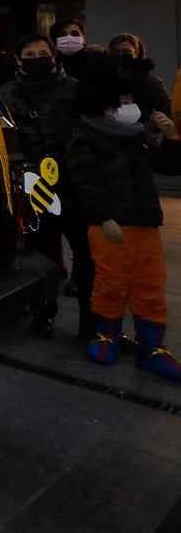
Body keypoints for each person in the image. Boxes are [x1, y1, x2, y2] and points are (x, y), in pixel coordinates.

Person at [65, 51, 181, 381]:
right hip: (110, 227)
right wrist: (104, 218)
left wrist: (171, 137)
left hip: (145, 224)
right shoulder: (84, 138)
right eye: (120, 101)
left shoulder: (137, 136)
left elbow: (170, 168)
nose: (127, 106)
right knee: (111, 282)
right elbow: (85, 183)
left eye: (131, 99)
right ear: (101, 101)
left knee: (151, 283)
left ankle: (152, 347)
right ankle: (106, 336)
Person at [0, 33, 80, 339]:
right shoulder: (8, 94)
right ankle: (43, 314)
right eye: (29, 55)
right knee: (43, 251)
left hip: (74, 179)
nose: (37, 59)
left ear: (54, 56)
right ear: (18, 60)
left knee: (85, 248)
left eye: (42, 53)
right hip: (35, 182)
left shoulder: (74, 90)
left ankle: (92, 321)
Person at [107, 32, 171, 119]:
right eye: (117, 51)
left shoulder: (149, 81)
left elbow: (169, 110)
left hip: (138, 129)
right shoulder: (104, 77)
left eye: (127, 52)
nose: (121, 55)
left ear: (136, 53)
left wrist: (149, 126)